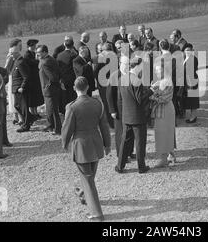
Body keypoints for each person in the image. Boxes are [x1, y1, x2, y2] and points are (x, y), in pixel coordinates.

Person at [61, 77, 111, 222]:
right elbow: (104, 127)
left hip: (81, 146)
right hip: (96, 143)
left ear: (74, 88)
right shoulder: (97, 103)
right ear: (88, 87)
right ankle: (83, 194)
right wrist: (107, 144)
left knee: (88, 179)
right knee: (89, 176)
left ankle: (97, 214)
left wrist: (64, 144)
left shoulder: (72, 107)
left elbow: (67, 128)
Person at [115, 57, 151, 174]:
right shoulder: (136, 80)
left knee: (125, 141)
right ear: (138, 66)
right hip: (138, 117)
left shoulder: (121, 79)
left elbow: (120, 99)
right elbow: (140, 99)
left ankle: (120, 166)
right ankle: (141, 166)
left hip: (127, 115)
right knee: (140, 142)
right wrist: (150, 91)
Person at [150, 64, 176, 167]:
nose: (157, 72)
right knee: (167, 131)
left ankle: (163, 158)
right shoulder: (159, 82)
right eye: (156, 70)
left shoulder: (167, 82)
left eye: (159, 70)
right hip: (162, 110)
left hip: (165, 109)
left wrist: (152, 94)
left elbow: (165, 98)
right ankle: (171, 154)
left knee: (163, 132)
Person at [37, 45, 62, 135]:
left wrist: (48, 86)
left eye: (39, 52)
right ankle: (50, 126)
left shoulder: (44, 63)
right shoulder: (51, 59)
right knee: (50, 109)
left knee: (53, 110)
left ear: (44, 52)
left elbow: (52, 77)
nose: (37, 54)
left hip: (49, 90)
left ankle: (57, 129)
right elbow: (59, 73)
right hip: (53, 89)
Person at [11, 46, 35, 133]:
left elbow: (26, 76)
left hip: (21, 90)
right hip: (17, 89)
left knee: (23, 108)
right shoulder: (16, 61)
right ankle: (31, 118)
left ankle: (26, 125)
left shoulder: (20, 62)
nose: (10, 55)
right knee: (17, 106)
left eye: (12, 53)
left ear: (16, 53)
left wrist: (22, 87)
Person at [94, 44, 114, 129]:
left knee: (109, 102)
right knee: (107, 103)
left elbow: (95, 72)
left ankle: (112, 122)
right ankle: (111, 123)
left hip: (109, 83)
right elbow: (95, 72)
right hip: (104, 84)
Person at [24, 39, 44, 119]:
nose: (35, 47)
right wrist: (37, 59)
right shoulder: (27, 54)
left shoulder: (33, 53)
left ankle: (35, 112)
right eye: (34, 45)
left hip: (35, 77)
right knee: (32, 97)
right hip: (31, 78)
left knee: (36, 97)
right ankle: (33, 113)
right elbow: (33, 63)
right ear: (30, 46)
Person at [57, 39, 78, 114]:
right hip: (72, 78)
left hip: (63, 79)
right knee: (72, 96)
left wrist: (60, 79)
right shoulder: (74, 55)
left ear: (64, 45)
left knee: (64, 96)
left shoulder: (59, 55)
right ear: (73, 45)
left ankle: (64, 110)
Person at [5, 39, 23, 125]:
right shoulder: (12, 54)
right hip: (13, 77)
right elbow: (6, 68)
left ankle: (17, 117)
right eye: (20, 44)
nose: (21, 46)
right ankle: (18, 118)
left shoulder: (15, 52)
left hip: (14, 76)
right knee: (14, 98)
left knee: (14, 98)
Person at [183, 44, 199, 124]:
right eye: (186, 50)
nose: (187, 52)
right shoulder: (185, 58)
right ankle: (193, 116)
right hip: (187, 81)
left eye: (189, 50)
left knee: (193, 100)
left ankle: (193, 117)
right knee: (190, 99)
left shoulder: (193, 59)